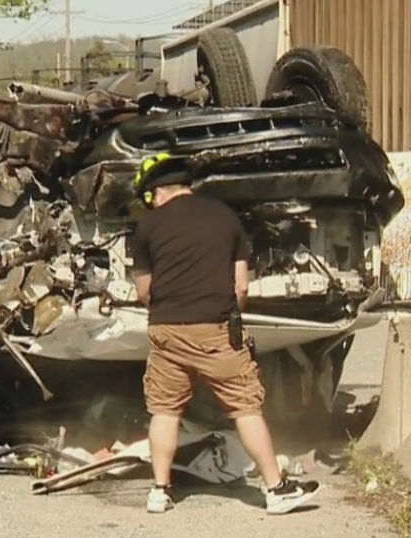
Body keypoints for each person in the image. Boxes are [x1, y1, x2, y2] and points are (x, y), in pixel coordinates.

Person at [129, 152, 321, 515]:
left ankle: (159, 491)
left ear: (156, 193)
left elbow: (143, 291)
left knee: (165, 411)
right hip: (215, 329)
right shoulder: (225, 217)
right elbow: (241, 286)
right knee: (245, 407)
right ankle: (276, 489)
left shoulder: (147, 227)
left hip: (166, 329)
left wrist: (171, 307)